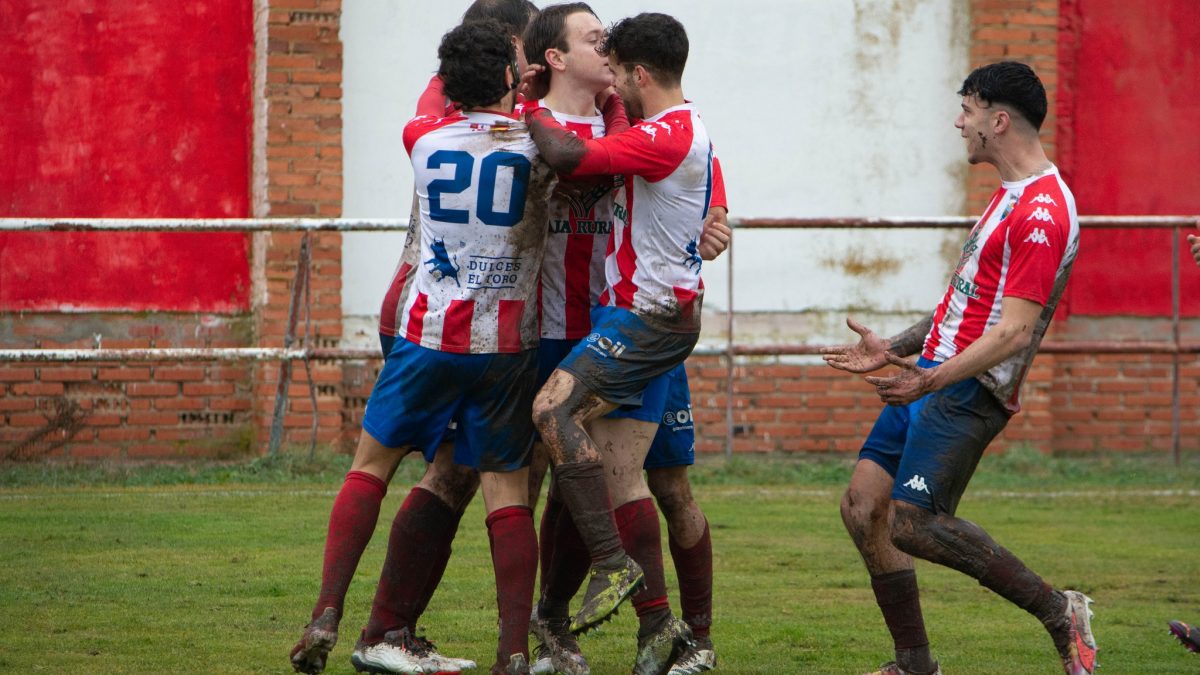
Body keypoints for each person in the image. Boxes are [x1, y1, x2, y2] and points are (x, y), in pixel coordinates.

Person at [288, 5, 541, 675]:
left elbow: (438, 101)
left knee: (370, 466)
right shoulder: (538, 146)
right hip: (503, 347)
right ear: (513, 75)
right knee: (508, 492)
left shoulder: (422, 137)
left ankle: (325, 613)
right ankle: (514, 650)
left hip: (424, 337)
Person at [822, 61, 1094, 675]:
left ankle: (1060, 611)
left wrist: (928, 379)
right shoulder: (1010, 195)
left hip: (967, 390)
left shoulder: (1044, 212)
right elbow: (967, 304)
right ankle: (915, 663)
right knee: (864, 508)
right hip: (933, 377)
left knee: (913, 524)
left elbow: (1015, 332)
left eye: (967, 109)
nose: (958, 121)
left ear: (998, 120)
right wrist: (896, 346)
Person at [516, 7, 727, 675]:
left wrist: (717, 215)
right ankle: (595, 626)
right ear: (553, 55)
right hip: (598, 320)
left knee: (658, 481)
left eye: (611, 47)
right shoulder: (654, 122)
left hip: (641, 321)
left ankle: (677, 628)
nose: (603, 54)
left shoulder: (650, 128)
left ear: (636, 71)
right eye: (591, 39)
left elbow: (577, 156)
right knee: (598, 474)